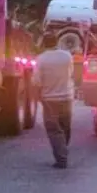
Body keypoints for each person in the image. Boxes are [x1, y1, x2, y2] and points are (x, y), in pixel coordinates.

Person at [33, 32, 74, 169]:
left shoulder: (41, 59)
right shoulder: (67, 56)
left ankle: (61, 158)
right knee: (65, 126)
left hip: (49, 98)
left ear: (44, 43)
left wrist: (38, 96)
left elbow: (37, 81)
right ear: (57, 42)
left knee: (54, 130)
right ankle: (63, 148)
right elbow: (71, 73)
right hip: (66, 97)